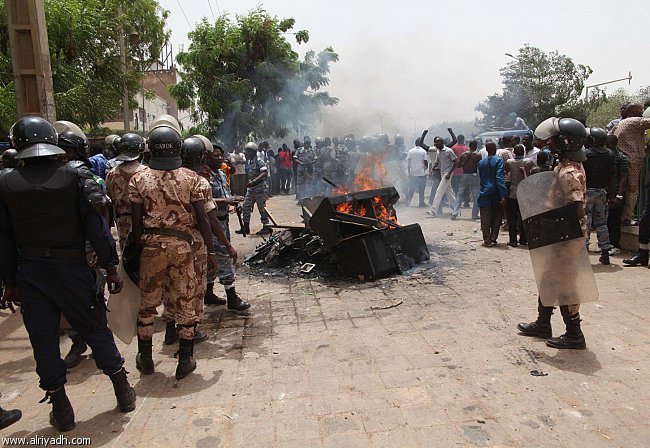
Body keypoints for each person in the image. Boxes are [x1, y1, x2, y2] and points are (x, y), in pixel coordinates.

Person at [0, 116, 136, 431]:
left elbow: (4, 238)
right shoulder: (76, 176)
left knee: (43, 340)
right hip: (73, 269)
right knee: (95, 329)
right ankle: (123, 391)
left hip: (32, 272)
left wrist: (9, 281)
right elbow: (98, 229)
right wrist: (110, 267)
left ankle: (62, 411)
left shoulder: (5, 183)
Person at [128, 124, 217, 380]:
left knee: (147, 304)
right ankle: (185, 360)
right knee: (185, 300)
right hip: (183, 247)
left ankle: (146, 358)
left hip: (151, 247)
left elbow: (136, 223)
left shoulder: (139, 179)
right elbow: (203, 219)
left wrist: (137, 250)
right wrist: (211, 251)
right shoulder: (191, 178)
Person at [518, 117, 590, 350]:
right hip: (559, 232)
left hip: (566, 235)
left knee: (566, 283)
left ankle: (574, 334)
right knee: (548, 276)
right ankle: (543, 323)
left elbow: (576, 208)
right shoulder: (564, 165)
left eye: (553, 140)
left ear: (566, 142)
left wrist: (560, 231)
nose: (549, 144)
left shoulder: (569, 172)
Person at [203, 145, 250, 311]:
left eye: (221, 155)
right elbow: (204, 200)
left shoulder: (222, 174)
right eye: (216, 155)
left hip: (224, 221)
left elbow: (225, 194)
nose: (220, 158)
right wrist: (226, 201)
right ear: (207, 157)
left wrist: (233, 203)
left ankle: (208, 293)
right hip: (212, 224)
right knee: (225, 257)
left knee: (214, 258)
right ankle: (232, 298)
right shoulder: (203, 177)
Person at [105, 133, 147, 250]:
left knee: (127, 254)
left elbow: (109, 199)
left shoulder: (112, 174)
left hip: (122, 222)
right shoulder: (146, 173)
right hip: (144, 221)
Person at [611, 103, 650, 225]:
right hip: (632, 159)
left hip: (620, 158)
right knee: (632, 189)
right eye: (641, 110)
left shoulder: (620, 123)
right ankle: (627, 217)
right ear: (633, 111)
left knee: (622, 188)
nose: (643, 112)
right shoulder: (635, 121)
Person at [583, 128, 615, 265]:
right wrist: (612, 195)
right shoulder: (610, 154)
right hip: (602, 192)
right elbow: (611, 177)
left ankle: (584, 253)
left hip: (587, 191)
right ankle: (605, 253)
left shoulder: (586, 154)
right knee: (602, 223)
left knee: (586, 222)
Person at [476, 141, 508, 246]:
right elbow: (499, 178)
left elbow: (480, 178)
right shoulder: (499, 161)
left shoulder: (481, 162)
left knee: (485, 217)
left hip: (484, 192)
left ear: (486, 150)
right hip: (496, 192)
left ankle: (487, 240)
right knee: (497, 215)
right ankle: (494, 236)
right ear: (495, 149)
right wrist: (504, 194)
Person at [504, 144, 535, 246]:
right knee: (524, 217)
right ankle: (523, 239)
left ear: (514, 152)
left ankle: (513, 240)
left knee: (512, 217)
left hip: (513, 192)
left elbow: (505, 171)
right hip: (525, 193)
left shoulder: (509, 162)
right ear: (524, 152)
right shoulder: (528, 162)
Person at [237, 142, 271, 235]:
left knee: (262, 208)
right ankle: (246, 227)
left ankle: (266, 226)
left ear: (253, 152)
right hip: (251, 189)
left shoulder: (259, 161)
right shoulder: (249, 161)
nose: (246, 153)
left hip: (260, 188)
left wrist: (254, 181)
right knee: (246, 206)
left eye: (248, 151)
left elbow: (265, 172)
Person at [605, 135, 628, 255]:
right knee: (607, 220)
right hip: (608, 193)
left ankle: (614, 244)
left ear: (615, 144)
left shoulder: (621, 158)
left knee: (614, 220)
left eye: (609, 144)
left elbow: (624, 178)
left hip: (617, 194)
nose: (607, 147)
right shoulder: (608, 157)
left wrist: (619, 196)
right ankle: (607, 244)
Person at [450, 139, 482, 220]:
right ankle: (474, 215)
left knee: (459, 195)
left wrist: (464, 164)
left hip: (464, 175)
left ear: (469, 146)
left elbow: (458, 166)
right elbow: (480, 166)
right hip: (474, 175)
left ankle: (455, 213)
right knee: (476, 196)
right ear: (476, 146)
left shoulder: (463, 155)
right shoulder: (478, 155)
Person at [427, 137, 458, 217]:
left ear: (441, 143)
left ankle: (433, 210)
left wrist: (449, 173)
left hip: (447, 174)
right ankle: (456, 209)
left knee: (439, 191)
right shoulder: (438, 152)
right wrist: (432, 170)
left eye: (436, 143)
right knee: (449, 193)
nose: (435, 145)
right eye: (434, 143)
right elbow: (437, 162)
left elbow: (455, 161)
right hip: (442, 173)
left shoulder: (449, 151)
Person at [405, 138, 428, 207]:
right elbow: (425, 162)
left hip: (413, 173)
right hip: (421, 173)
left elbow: (409, 163)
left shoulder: (410, 151)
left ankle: (408, 202)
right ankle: (421, 203)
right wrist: (426, 169)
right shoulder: (423, 151)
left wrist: (409, 172)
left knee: (412, 188)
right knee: (421, 189)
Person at [450, 135, 469, 205]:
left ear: (457, 140)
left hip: (455, 171)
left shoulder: (453, 148)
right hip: (465, 171)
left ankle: (458, 202)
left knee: (456, 187)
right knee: (466, 187)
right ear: (463, 139)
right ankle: (466, 202)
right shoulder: (467, 148)